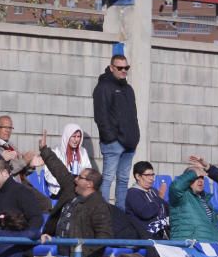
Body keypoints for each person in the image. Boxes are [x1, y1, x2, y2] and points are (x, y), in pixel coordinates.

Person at [39, 129, 112, 257]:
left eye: (80, 177)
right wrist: (44, 150)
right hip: (62, 255)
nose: (75, 178)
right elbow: (59, 169)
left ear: (89, 184)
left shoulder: (98, 205)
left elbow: (104, 236)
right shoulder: (71, 188)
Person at [93, 54, 139, 206]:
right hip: (113, 143)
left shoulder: (128, 89)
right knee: (107, 178)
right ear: (112, 68)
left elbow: (133, 116)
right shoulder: (103, 87)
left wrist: (135, 136)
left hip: (129, 143)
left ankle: (121, 215)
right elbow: (101, 116)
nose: (123, 70)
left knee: (124, 179)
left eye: (126, 68)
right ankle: (104, 215)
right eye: (120, 68)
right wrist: (111, 138)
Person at [169, 161, 218, 242]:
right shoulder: (181, 196)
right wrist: (194, 172)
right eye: (196, 178)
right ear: (188, 179)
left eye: (202, 177)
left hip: (206, 247)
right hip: (188, 247)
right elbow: (176, 187)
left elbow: (212, 228)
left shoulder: (206, 200)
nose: (200, 180)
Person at [0, 158, 45, 232]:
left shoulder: (21, 192)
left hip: (18, 242)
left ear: (4, 173)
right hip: (3, 241)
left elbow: (36, 218)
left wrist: (25, 238)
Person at [43, 123, 92, 199]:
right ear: (67, 137)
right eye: (73, 136)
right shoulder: (56, 152)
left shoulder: (82, 152)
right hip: (59, 189)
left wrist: (80, 181)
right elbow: (48, 175)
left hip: (78, 189)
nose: (76, 140)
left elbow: (88, 171)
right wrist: (66, 182)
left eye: (78, 137)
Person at [125, 161, 170, 239]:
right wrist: (160, 197)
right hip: (145, 236)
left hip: (161, 234)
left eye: (152, 175)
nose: (152, 178)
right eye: (147, 175)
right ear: (138, 176)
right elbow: (146, 213)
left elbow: (166, 209)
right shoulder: (132, 193)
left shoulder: (153, 191)